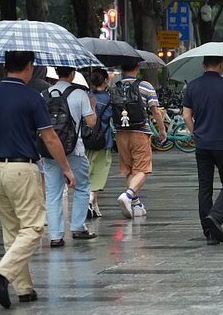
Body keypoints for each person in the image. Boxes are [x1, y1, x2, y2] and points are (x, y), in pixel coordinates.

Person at [0, 51, 77, 309]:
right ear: (30, 66)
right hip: (21, 168)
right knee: (34, 227)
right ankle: (2, 273)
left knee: (12, 229)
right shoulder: (32, 97)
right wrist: (66, 168)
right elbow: (50, 138)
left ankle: (24, 289)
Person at [182, 56, 223, 245]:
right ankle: (215, 217)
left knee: (205, 186)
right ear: (222, 65)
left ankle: (209, 232)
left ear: (203, 65)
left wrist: (195, 132)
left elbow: (186, 116)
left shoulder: (192, 86)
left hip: (202, 144)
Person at [43, 67, 98, 247]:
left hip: (50, 151)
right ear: (73, 74)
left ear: (56, 73)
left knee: (53, 193)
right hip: (74, 150)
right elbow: (91, 122)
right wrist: (92, 106)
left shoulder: (44, 94)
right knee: (82, 187)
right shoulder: (79, 93)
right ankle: (77, 227)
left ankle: (56, 236)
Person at [114, 63, 166, 219]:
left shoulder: (116, 86)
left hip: (121, 133)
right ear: (137, 68)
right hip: (140, 132)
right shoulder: (145, 86)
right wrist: (162, 130)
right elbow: (155, 110)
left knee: (130, 170)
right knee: (143, 169)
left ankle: (136, 205)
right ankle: (128, 195)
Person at [86, 68, 114, 218]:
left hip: (85, 139)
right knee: (99, 173)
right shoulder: (108, 98)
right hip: (103, 140)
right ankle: (90, 200)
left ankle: (94, 205)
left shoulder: (86, 96)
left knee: (88, 171)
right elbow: (110, 117)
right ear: (105, 81)